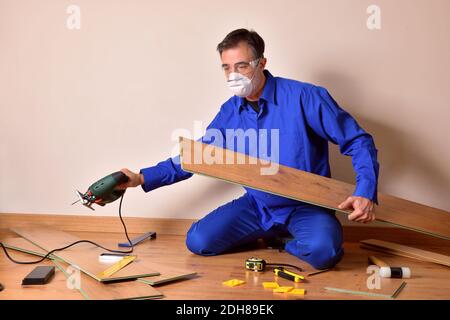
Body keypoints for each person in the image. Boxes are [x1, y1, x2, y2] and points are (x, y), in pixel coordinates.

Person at [117, 29, 379, 270]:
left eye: (242, 65)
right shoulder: (230, 112)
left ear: (261, 63)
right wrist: (141, 177)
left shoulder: (306, 97)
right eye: (227, 67)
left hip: (306, 206)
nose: (234, 75)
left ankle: (286, 241)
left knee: (324, 253)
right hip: (259, 205)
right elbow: (198, 156)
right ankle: (267, 233)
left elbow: (358, 141)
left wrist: (365, 191)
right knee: (198, 241)